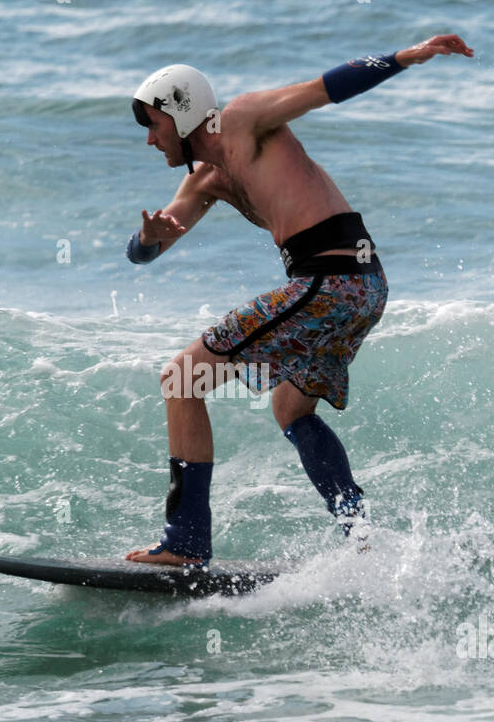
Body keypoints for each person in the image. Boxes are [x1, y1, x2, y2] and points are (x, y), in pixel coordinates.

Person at [123, 35, 474, 566]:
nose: (150, 140)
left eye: (153, 124)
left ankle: (187, 542)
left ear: (183, 111)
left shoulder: (242, 120)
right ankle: (364, 541)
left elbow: (323, 89)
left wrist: (405, 57)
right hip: (366, 286)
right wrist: (148, 240)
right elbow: (146, 251)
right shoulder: (205, 182)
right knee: (291, 406)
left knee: (182, 378)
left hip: (329, 282)